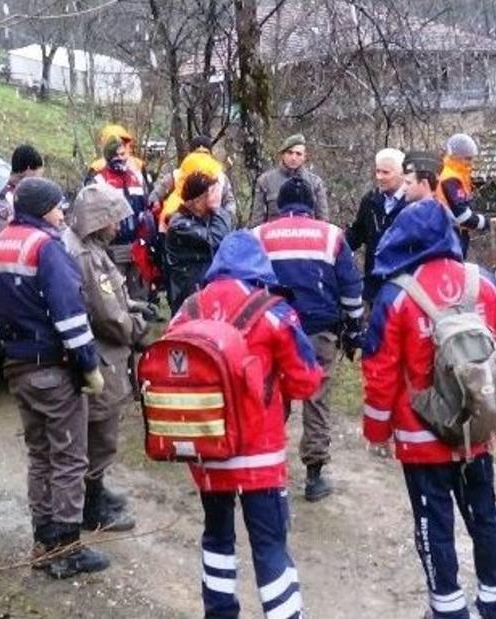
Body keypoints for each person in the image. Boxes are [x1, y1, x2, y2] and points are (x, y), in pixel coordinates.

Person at [361, 197, 496, 619]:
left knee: (434, 525)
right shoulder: (484, 283)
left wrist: (376, 432)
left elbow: (380, 373)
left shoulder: (396, 295)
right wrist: (482, 404)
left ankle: (447, 609)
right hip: (476, 430)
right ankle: (494, 601)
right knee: (484, 514)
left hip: (420, 434)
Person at [167, 230, 323, 619]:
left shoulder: (189, 308)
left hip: (207, 447)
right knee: (269, 544)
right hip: (259, 453)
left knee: (217, 537)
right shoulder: (274, 311)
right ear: (259, 267)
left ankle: (219, 612)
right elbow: (307, 381)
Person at [0, 177, 109, 579]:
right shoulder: (47, 248)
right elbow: (69, 316)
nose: (62, 211)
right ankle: (68, 547)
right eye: (57, 205)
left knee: (39, 456)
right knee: (70, 458)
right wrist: (88, 365)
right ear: (42, 209)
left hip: (16, 365)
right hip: (52, 368)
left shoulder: (1, 243)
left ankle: (43, 539)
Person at [252, 176, 363, 502]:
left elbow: (250, 281)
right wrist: (355, 328)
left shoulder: (259, 235)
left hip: (274, 329)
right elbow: (351, 288)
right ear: (311, 206)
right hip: (319, 329)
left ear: (280, 205)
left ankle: (267, 465)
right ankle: (314, 476)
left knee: (274, 395)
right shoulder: (331, 235)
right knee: (316, 397)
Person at [63, 182, 151, 533]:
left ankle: (95, 490)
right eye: (113, 219)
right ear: (99, 221)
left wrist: (132, 305)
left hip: (102, 351)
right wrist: (137, 328)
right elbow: (106, 314)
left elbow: (111, 296)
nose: (118, 226)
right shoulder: (85, 256)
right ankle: (92, 506)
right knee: (101, 431)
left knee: (98, 429)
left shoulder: (89, 248)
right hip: (102, 353)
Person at [86, 137, 151, 303]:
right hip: (112, 244)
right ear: (109, 156)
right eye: (119, 154)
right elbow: (93, 212)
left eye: (124, 154)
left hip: (137, 242)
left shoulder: (136, 176)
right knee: (116, 292)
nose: (123, 158)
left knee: (139, 290)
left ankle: (140, 324)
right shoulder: (99, 180)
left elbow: (146, 203)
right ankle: (120, 325)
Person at [345, 147, 408, 303]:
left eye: (386, 172)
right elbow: (357, 234)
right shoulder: (370, 200)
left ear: (401, 173)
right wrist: (334, 244)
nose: (379, 177)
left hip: (405, 286)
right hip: (375, 285)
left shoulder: (413, 203)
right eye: (377, 171)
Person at [164, 170, 232, 311]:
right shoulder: (180, 225)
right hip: (188, 296)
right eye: (210, 194)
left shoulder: (206, 218)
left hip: (205, 291)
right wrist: (217, 208)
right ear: (197, 200)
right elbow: (216, 239)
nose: (214, 198)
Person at [435, 133, 496, 257]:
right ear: (456, 157)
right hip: (450, 235)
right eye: (467, 159)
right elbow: (462, 216)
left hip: (447, 234)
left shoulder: (451, 174)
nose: (471, 163)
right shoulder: (451, 178)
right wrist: (489, 223)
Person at [150, 135, 237, 225]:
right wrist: (225, 221)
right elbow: (230, 204)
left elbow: (154, 197)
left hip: (178, 223)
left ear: (189, 153)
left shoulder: (177, 174)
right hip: (211, 226)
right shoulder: (220, 177)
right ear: (211, 154)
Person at [251, 133, 329, 226]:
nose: (293, 158)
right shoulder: (265, 181)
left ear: (305, 157)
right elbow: (257, 222)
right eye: (290, 152)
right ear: (283, 154)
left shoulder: (315, 183)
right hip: (275, 236)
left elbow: (323, 221)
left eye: (298, 154)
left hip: (306, 236)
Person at [0, 144, 44, 232]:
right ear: (28, 170)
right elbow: (8, 233)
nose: (39, 179)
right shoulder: (4, 200)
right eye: (38, 173)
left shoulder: (36, 194)